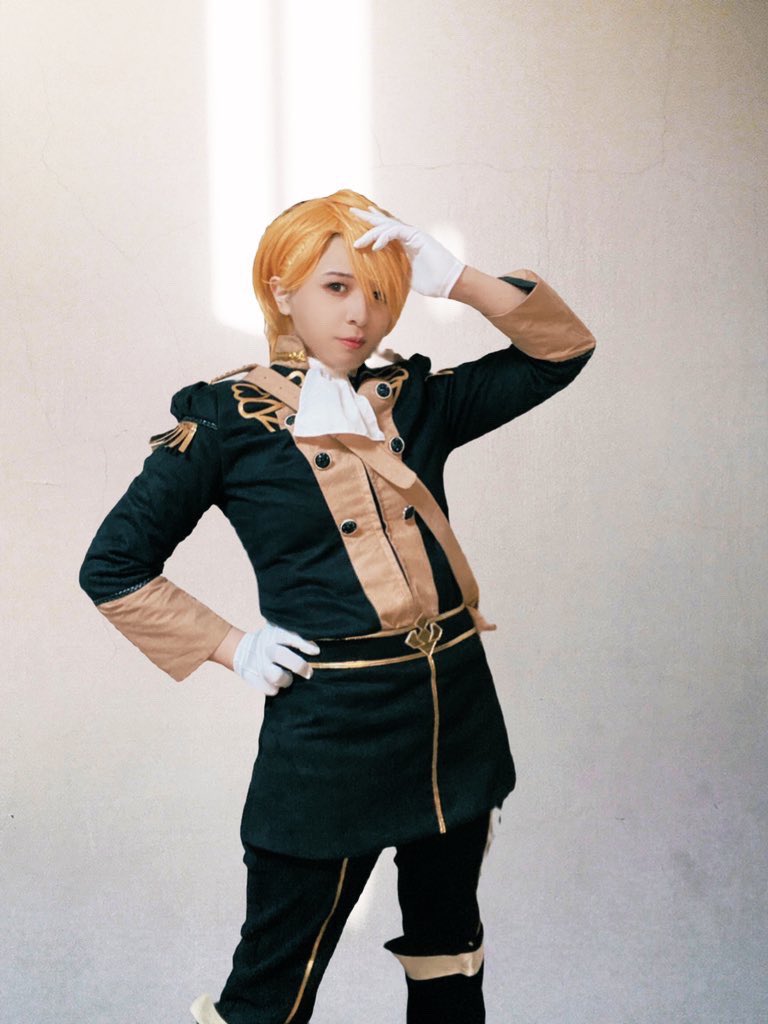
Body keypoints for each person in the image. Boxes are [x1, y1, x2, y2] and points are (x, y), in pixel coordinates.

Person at [79, 188, 596, 1024]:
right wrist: (230, 646)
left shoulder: (413, 397)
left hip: (452, 713)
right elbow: (113, 565)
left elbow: (562, 352)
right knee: (271, 994)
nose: (362, 313)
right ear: (281, 289)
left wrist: (462, 280)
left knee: (450, 954)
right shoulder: (224, 421)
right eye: (336, 286)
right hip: (331, 730)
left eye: (382, 292)